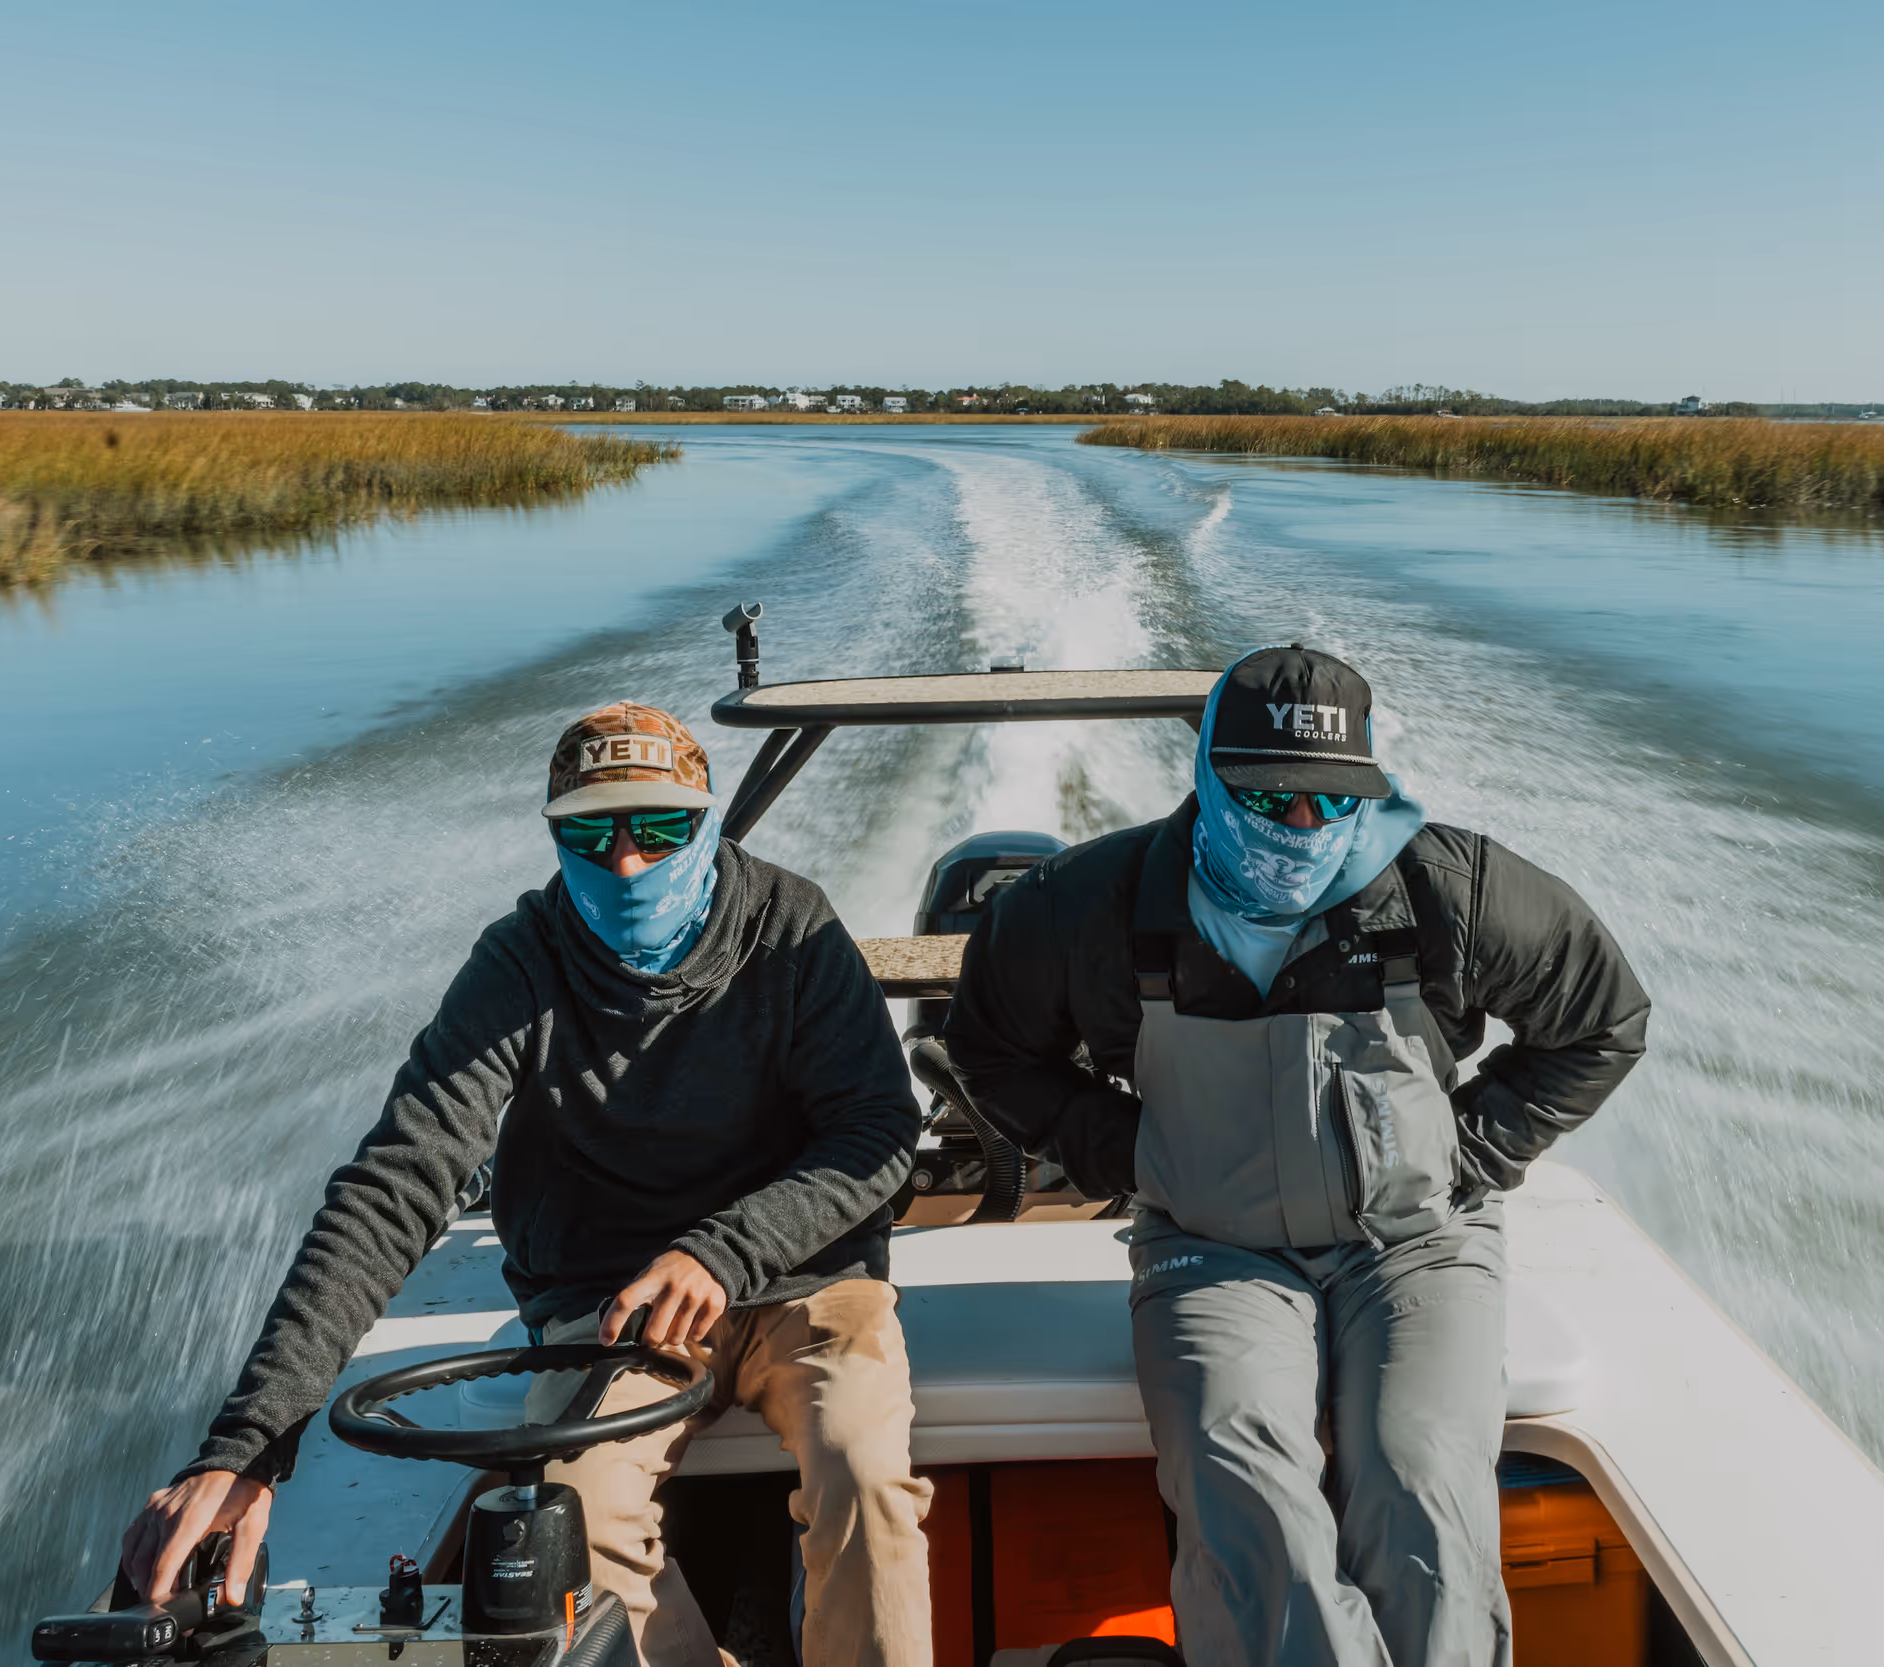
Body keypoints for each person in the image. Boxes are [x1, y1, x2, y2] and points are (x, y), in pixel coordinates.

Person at [120, 702, 933, 1667]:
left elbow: (880, 1126)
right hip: (614, 1304)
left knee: (867, 1478)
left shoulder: (792, 928)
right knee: (573, 1525)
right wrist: (249, 1444)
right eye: (591, 833)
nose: (626, 860)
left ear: (709, 824)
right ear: (556, 838)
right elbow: (397, 1181)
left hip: (807, 1282)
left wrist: (723, 1250)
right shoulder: (522, 959)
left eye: (659, 827)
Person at [945, 646, 1650, 1667]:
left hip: (1413, 1246)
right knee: (1241, 1472)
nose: (1304, 827)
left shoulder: (1448, 885)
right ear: (1208, 780)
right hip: (1211, 1248)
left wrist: (1477, 1148)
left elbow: (1603, 1020)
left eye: (1332, 801)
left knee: (1422, 1482)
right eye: (1270, 797)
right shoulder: (1084, 904)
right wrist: (1122, 1147)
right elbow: (990, 1045)